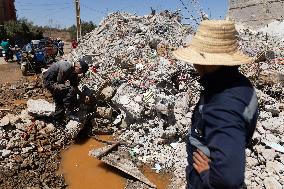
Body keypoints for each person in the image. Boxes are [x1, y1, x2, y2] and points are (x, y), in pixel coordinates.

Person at [173, 20, 258, 189]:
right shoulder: (241, 85)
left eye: (197, 58)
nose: (194, 64)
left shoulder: (222, 104)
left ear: (209, 61)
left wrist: (205, 175)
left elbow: (229, 180)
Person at [43, 59, 89, 127]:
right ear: (79, 68)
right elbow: (59, 82)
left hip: (57, 83)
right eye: (81, 72)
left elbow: (75, 86)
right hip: (50, 83)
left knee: (64, 98)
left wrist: (83, 95)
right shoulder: (66, 67)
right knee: (67, 93)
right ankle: (68, 112)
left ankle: (57, 121)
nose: (79, 74)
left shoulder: (74, 71)